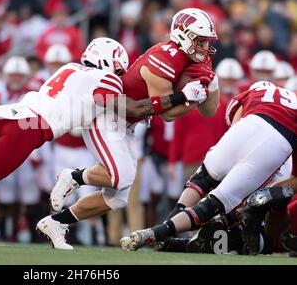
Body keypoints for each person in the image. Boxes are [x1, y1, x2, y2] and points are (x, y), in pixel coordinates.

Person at [0, 37, 208, 244]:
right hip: (29, 129)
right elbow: (130, 106)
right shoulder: (104, 78)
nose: (121, 77)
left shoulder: (69, 68)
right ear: (112, 64)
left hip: (12, 114)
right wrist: (180, 97)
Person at [40, 8, 219, 250]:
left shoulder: (199, 59)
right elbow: (166, 114)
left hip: (130, 123)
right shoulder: (163, 58)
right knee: (118, 176)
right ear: (183, 36)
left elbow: (210, 111)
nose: (205, 47)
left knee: (117, 199)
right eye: (200, 40)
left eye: (208, 41)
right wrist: (190, 98)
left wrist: (211, 86)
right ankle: (73, 176)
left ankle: (56, 223)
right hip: (109, 116)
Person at [121, 81, 297, 254]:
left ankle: (163, 230)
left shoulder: (255, 92)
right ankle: (160, 234)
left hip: (249, 125)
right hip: (278, 144)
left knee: (203, 179)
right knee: (218, 204)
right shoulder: (287, 102)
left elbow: (234, 125)